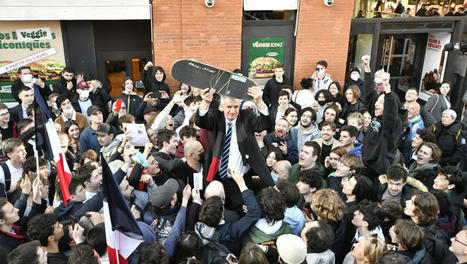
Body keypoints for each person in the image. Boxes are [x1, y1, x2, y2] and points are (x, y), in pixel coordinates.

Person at [195, 87, 274, 212]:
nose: (233, 111)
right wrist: (205, 102)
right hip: (218, 179)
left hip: (240, 181)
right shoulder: (217, 117)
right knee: (217, 213)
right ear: (222, 107)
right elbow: (201, 121)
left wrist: (259, 102)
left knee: (241, 214)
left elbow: (266, 125)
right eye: (229, 107)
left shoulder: (246, 116)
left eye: (236, 107)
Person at [196, 170, 260, 256]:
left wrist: (195, 202)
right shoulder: (230, 232)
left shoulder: (196, 227)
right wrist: (241, 184)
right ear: (222, 214)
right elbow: (254, 212)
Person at [361, 55, 402, 178]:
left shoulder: (393, 122)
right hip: (367, 163)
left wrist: (387, 90)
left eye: (382, 103)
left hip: (379, 169)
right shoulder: (376, 115)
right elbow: (369, 94)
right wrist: (367, 68)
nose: (377, 104)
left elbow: (390, 115)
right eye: (378, 101)